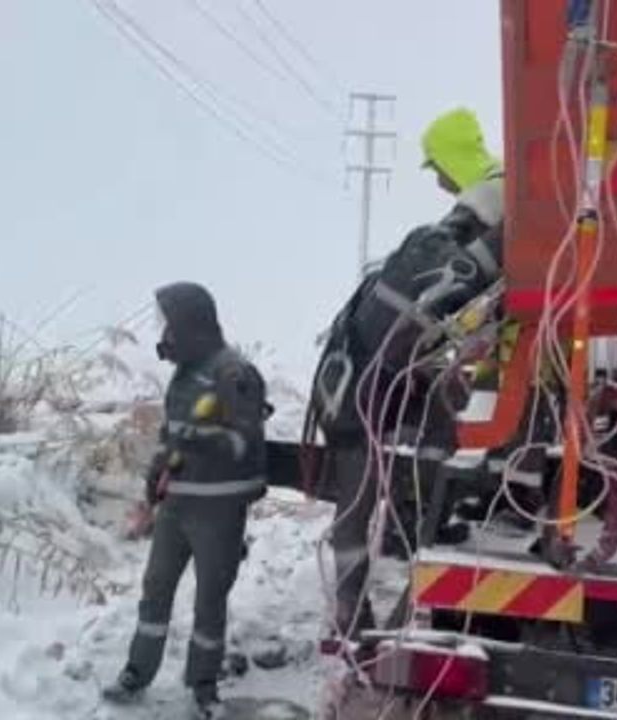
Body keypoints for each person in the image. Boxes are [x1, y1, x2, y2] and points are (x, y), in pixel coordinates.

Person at [308, 107, 505, 642]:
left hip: (373, 386)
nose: (439, 183)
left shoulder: (463, 225)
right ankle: (354, 614)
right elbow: (471, 273)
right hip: (360, 397)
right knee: (356, 510)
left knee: (434, 429)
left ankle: (409, 535)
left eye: (439, 170)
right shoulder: (442, 241)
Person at [103, 281, 269, 718]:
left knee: (209, 602)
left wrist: (202, 441)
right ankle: (136, 672)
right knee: (155, 590)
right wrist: (154, 475)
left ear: (191, 324)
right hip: (176, 508)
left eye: (169, 323)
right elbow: (170, 434)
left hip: (218, 511)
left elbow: (245, 445)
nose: (164, 333)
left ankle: (203, 686)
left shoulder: (234, 374)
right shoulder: (184, 374)